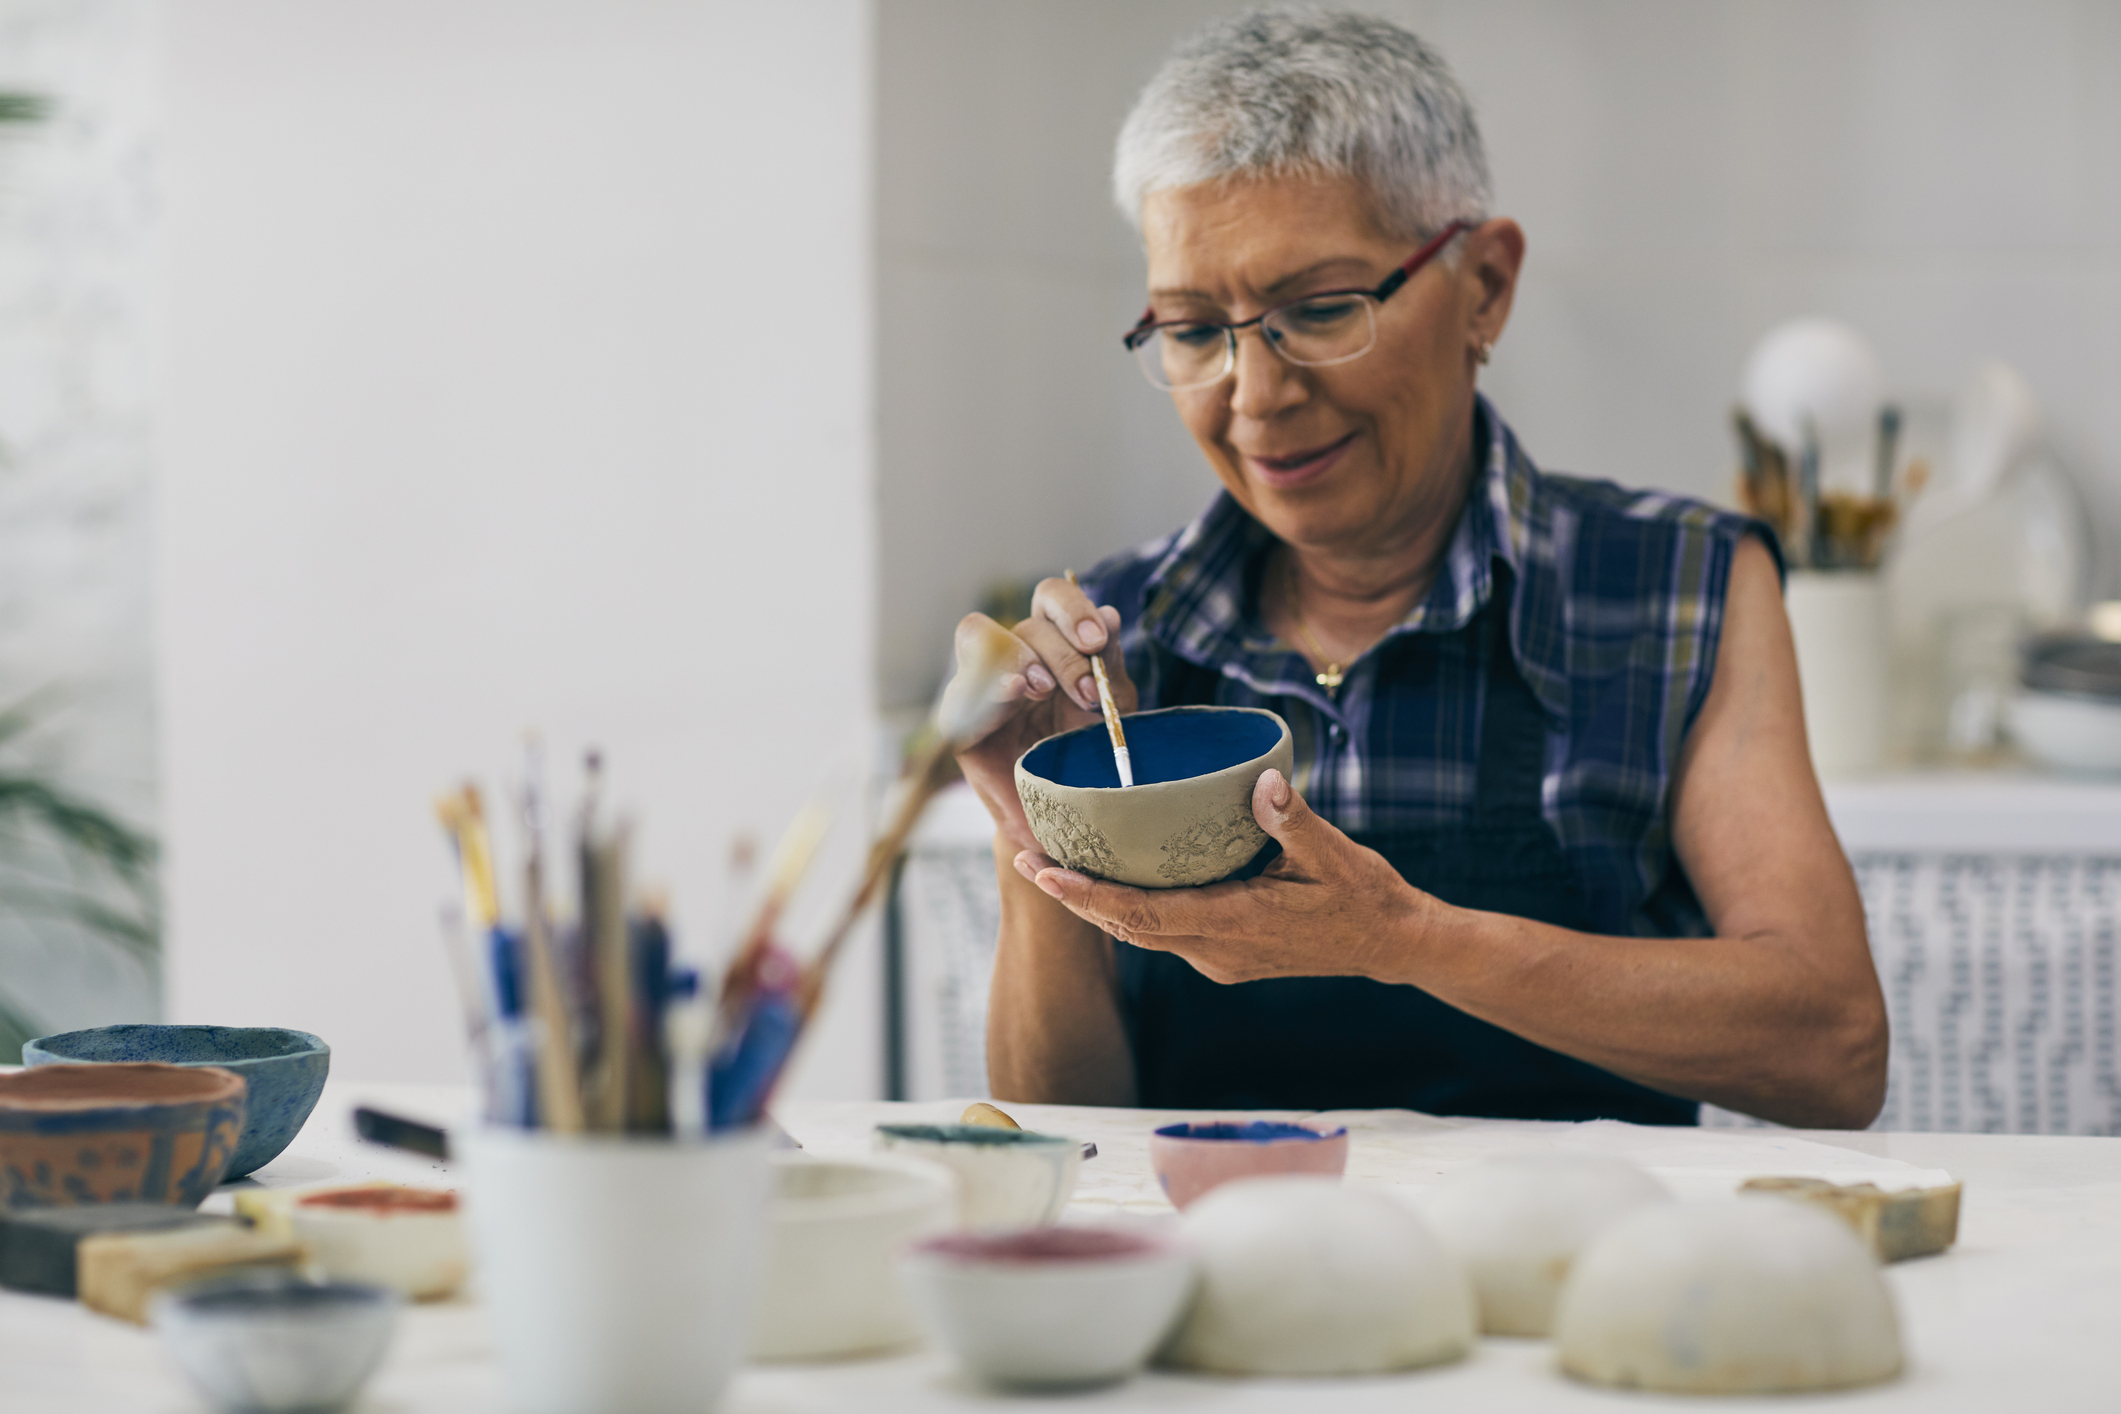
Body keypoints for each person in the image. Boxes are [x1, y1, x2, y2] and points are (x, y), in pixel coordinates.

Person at [944, 9, 1887, 1128]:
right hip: (1224, 1279)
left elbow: (1832, 1046)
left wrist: (1403, 938)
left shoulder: (1678, 587)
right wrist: (1034, 828)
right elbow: (1063, 1139)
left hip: (1562, 1284)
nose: (1254, 395)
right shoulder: (1116, 640)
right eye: (1195, 330)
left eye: (1321, 310)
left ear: (1484, 285)